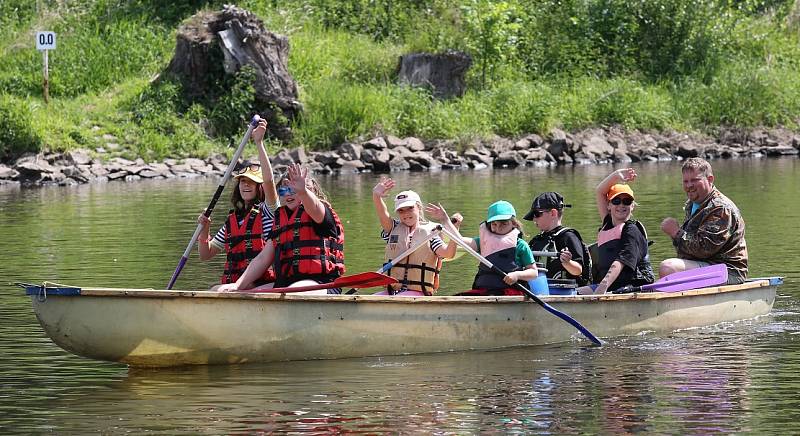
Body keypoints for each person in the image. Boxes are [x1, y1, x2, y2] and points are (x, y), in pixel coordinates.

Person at [217, 163, 346, 294]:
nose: (288, 195)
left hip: (322, 284)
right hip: (287, 283)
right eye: (284, 191)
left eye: (294, 190)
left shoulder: (320, 211)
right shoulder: (279, 219)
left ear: (310, 190)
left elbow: (314, 206)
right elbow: (263, 259)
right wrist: (238, 285)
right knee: (236, 293)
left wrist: (303, 192)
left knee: (293, 292)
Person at [197, 118, 279, 290]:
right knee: (214, 290)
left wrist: (259, 143)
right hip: (237, 286)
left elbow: (269, 181)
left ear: (260, 187)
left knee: (220, 291)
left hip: (264, 284)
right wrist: (205, 228)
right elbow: (205, 255)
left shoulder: (269, 211)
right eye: (242, 181)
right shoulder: (233, 221)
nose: (245, 185)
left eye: (251, 182)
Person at [659, 157, 748, 284]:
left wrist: (676, 232)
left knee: (669, 268)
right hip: (708, 266)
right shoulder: (693, 204)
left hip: (728, 272)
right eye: (686, 181)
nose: (689, 186)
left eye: (695, 180)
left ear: (710, 179)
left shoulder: (720, 208)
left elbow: (704, 250)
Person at [371, 178, 458, 296]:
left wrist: (453, 229)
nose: (406, 214)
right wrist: (376, 196)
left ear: (419, 207)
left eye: (410, 208)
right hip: (393, 291)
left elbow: (449, 253)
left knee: (395, 300)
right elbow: (382, 214)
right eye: (401, 210)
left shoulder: (431, 233)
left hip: (418, 293)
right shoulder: (393, 228)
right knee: (370, 299)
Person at [439, 200, 538, 296]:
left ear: (514, 224)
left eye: (504, 224)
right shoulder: (483, 241)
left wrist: (517, 275)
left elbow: (533, 272)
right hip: (484, 290)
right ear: (489, 224)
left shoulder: (521, 245)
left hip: (510, 291)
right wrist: (446, 220)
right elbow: (459, 240)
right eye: (494, 224)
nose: (498, 228)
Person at [588, 168, 655, 294]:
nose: (621, 205)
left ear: (632, 206)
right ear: (609, 205)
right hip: (611, 286)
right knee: (576, 292)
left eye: (627, 201)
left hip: (635, 284)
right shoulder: (607, 223)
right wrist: (616, 175)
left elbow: (623, 259)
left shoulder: (632, 230)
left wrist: (603, 285)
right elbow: (600, 191)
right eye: (616, 201)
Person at [523, 191, 591, 286]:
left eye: (537, 214)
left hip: (564, 291)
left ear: (553, 213)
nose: (534, 219)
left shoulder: (568, 237)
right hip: (539, 291)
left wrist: (567, 262)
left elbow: (578, 270)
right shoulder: (536, 240)